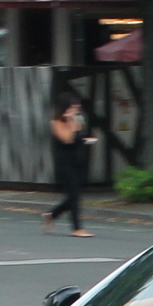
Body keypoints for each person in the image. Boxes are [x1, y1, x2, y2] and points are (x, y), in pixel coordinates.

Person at [44, 96, 95, 238]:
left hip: (76, 161)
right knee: (74, 196)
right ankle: (77, 228)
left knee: (75, 196)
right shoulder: (56, 122)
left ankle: (52, 214)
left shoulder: (75, 121)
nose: (75, 110)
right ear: (64, 108)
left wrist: (85, 140)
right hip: (64, 163)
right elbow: (67, 139)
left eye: (77, 108)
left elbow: (77, 139)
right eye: (72, 107)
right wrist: (72, 123)